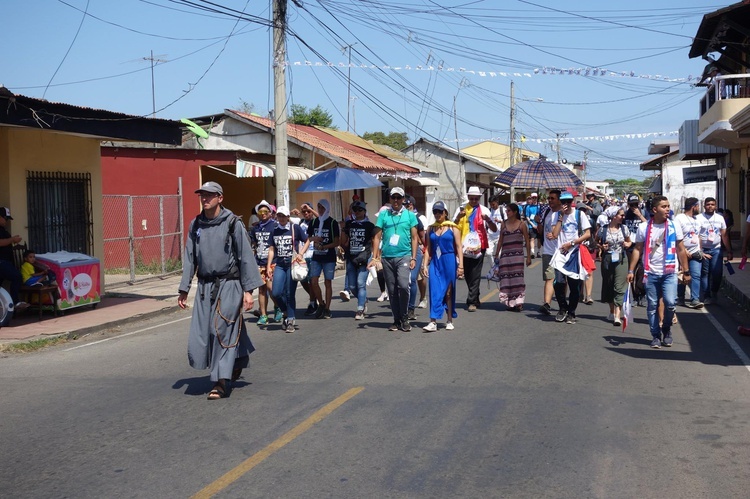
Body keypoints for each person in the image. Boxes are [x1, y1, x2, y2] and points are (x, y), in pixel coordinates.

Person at [178, 181, 262, 400]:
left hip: (230, 284)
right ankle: (239, 359)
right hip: (205, 287)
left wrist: (248, 290)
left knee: (221, 330)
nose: (205, 199)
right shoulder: (195, 224)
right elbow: (189, 257)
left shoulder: (233, 223)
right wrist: (184, 288)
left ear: (220, 197)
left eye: (209, 195)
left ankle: (222, 381)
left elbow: (245, 257)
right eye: (202, 195)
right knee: (207, 332)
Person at [627, 195, 691, 349]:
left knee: (670, 303)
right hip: (650, 273)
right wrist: (631, 270)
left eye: (668, 206)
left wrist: (686, 271)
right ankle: (655, 335)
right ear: (655, 210)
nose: (667, 209)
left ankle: (666, 329)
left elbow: (681, 249)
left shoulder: (674, 226)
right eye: (664, 206)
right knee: (652, 305)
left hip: (669, 273)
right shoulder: (644, 227)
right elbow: (637, 249)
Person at [368, 187, 418, 331]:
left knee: (403, 286)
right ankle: (397, 319)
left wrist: (414, 257)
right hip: (387, 257)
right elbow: (377, 237)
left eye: (398, 197)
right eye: (393, 197)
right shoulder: (384, 215)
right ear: (390, 199)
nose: (396, 200)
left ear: (403, 199)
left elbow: (415, 238)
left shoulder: (410, 215)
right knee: (391, 290)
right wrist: (375, 257)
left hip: (404, 255)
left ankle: (404, 316)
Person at [453, 186, 498, 312]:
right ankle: (476, 296)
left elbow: (494, 229)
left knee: (476, 272)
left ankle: (471, 301)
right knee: (467, 273)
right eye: (471, 198)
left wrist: (488, 220)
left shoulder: (484, 211)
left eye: (476, 198)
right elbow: (453, 226)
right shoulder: (461, 209)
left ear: (479, 198)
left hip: (479, 246)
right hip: (464, 246)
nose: (473, 200)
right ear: (468, 198)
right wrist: (458, 217)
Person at [421, 201, 463, 331]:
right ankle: (433, 321)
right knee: (434, 289)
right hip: (436, 261)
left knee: (448, 291)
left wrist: (461, 265)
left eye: (440, 211)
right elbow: (428, 248)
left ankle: (449, 319)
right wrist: (424, 265)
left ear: (445, 212)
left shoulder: (453, 227)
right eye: (435, 212)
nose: (437, 214)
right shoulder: (430, 228)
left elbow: (458, 246)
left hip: (448, 259)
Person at [551, 190, 591, 324]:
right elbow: (555, 234)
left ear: (572, 202)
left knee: (574, 286)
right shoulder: (557, 215)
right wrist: (560, 218)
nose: (566, 205)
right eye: (563, 202)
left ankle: (571, 312)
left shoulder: (580, 215)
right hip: (560, 254)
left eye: (569, 202)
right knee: (558, 283)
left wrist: (572, 243)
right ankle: (562, 307)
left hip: (575, 253)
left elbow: (587, 234)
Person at [267, 206, 309, 333]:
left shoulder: (294, 228)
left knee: (290, 293)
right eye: (279, 216)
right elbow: (271, 249)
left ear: (287, 217)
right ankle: (285, 311)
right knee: (276, 293)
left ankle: (290, 319)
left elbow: (307, 240)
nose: (281, 218)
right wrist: (269, 265)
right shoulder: (274, 230)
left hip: (292, 263)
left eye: (284, 216)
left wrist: (301, 254)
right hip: (279, 264)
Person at [596, 206, 632, 325]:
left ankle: (617, 315)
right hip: (608, 258)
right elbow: (596, 241)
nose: (623, 217)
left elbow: (629, 240)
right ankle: (611, 311)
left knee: (620, 286)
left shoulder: (624, 228)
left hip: (621, 259)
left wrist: (627, 244)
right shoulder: (603, 229)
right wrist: (601, 247)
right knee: (609, 284)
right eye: (621, 215)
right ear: (613, 216)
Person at [340, 200, 376, 320]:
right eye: (355, 210)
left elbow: (376, 240)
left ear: (364, 211)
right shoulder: (349, 224)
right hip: (351, 257)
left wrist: (375, 256)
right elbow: (343, 241)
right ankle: (363, 299)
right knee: (352, 286)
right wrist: (343, 230)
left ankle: (360, 309)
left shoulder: (369, 225)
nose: (357, 212)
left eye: (359, 210)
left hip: (364, 257)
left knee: (361, 284)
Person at [492, 203, 532, 311]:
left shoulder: (522, 224)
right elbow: (500, 240)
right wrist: (497, 254)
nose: (506, 212)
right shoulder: (503, 224)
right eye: (506, 210)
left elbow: (527, 241)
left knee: (518, 279)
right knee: (506, 279)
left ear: (515, 212)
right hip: (505, 257)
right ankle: (510, 302)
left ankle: (519, 302)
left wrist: (528, 257)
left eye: (508, 211)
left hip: (518, 257)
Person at [248, 200, 281, 325]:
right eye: (260, 212)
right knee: (261, 289)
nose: (263, 214)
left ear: (270, 213)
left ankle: (277, 307)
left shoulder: (275, 226)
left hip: (273, 262)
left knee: (271, 287)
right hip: (259, 261)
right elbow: (254, 244)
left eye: (265, 211)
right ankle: (263, 315)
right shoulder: (256, 228)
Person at [307, 199, 340, 319]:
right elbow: (309, 237)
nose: (320, 210)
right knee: (314, 281)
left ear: (327, 209)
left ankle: (327, 308)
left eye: (322, 208)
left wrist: (324, 246)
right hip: (316, 256)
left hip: (329, 257)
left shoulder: (332, 223)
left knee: (327, 282)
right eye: (319, 207)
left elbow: (337, 242)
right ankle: (321, 303)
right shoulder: (314, 222)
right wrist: (314, 240)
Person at [699, 197, 732, 304]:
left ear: (716, 206)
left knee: (717, 272)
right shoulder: (699, 218)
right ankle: (707, 295)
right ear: (704, 206)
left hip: (716, 249)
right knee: (705, 273)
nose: (710, 206)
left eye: (712, 204)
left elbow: (724, 235)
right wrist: (700, 251)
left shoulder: (720, 218)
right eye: (708, 204)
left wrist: (729, 250)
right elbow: (697, 236)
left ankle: (714, 292)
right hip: (704, 249)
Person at [674, 198, 704, 309]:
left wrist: (700, 249)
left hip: (695, 252)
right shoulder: (679, 218)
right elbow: (676, 236)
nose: (699, 208)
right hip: (682, 252)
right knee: (683, 275)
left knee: (696, 275)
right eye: (698, 206)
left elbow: (698, 236)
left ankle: (695, 299)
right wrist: (684, 251)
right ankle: (680, 297)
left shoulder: (697, 220)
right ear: (694, 206)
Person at [537, 189, 562, 316]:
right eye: (549, 198)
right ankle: (547, 303)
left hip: (561, 251)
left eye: (553, 198)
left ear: (559, 199)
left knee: (562, 280)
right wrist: (538, 222)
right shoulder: (547, 212)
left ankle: (563, 305)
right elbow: (541, 231)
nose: (550, 201)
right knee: (549, 278)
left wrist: (555, 234)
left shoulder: (563, 214)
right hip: (547, 250)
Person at [0, 207, 29, 312]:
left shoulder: (3, 229)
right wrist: (12, 239)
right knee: (17, 277)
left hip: (5, 261)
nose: (6, 221)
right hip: (2, 262)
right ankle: (15, 302)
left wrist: (13, 241)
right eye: (5, 218)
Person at [404, 195, 426, 321]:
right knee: (401, 282)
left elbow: (422, 237)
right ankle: (403, 307)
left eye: (408, 205)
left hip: (415, 252)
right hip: (401, 252)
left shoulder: (416, 219)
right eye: (404, 205)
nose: (406, 207)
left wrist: (428, 252)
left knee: (412, 279)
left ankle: (411, 309)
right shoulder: (397, 218)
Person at [623, 194, 647, 306]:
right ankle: (634, 296)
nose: (634, 207)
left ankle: (642, 294)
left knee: (641, 271)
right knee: (631, 271)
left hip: (641, 245)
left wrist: (640, 215)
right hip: (629, 245)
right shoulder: (625, 214)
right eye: (631, 204)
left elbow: (649, 225)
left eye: (636, 204)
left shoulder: (644, 211)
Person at [298, 203, 319, 316]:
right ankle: (315, 298)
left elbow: (320, 218)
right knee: (302, 279)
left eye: (308, 212)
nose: (306, 213)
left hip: (313, 254)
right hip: (302, 255)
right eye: (304, 212)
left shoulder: (316, 222)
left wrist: (311, 209)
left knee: (312, 280)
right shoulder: (301, 223)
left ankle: (312, 303)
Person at [521, 193, 540, 258]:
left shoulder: (539, 206)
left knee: (539, 239)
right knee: (532, 239)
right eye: (533, 198)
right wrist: (532, 224)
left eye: (535, 198)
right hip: (531, 225)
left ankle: (538, 251)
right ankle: (532, 252)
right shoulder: (528, 207)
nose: (534, 199)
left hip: (539, 225)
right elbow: (527, 217)